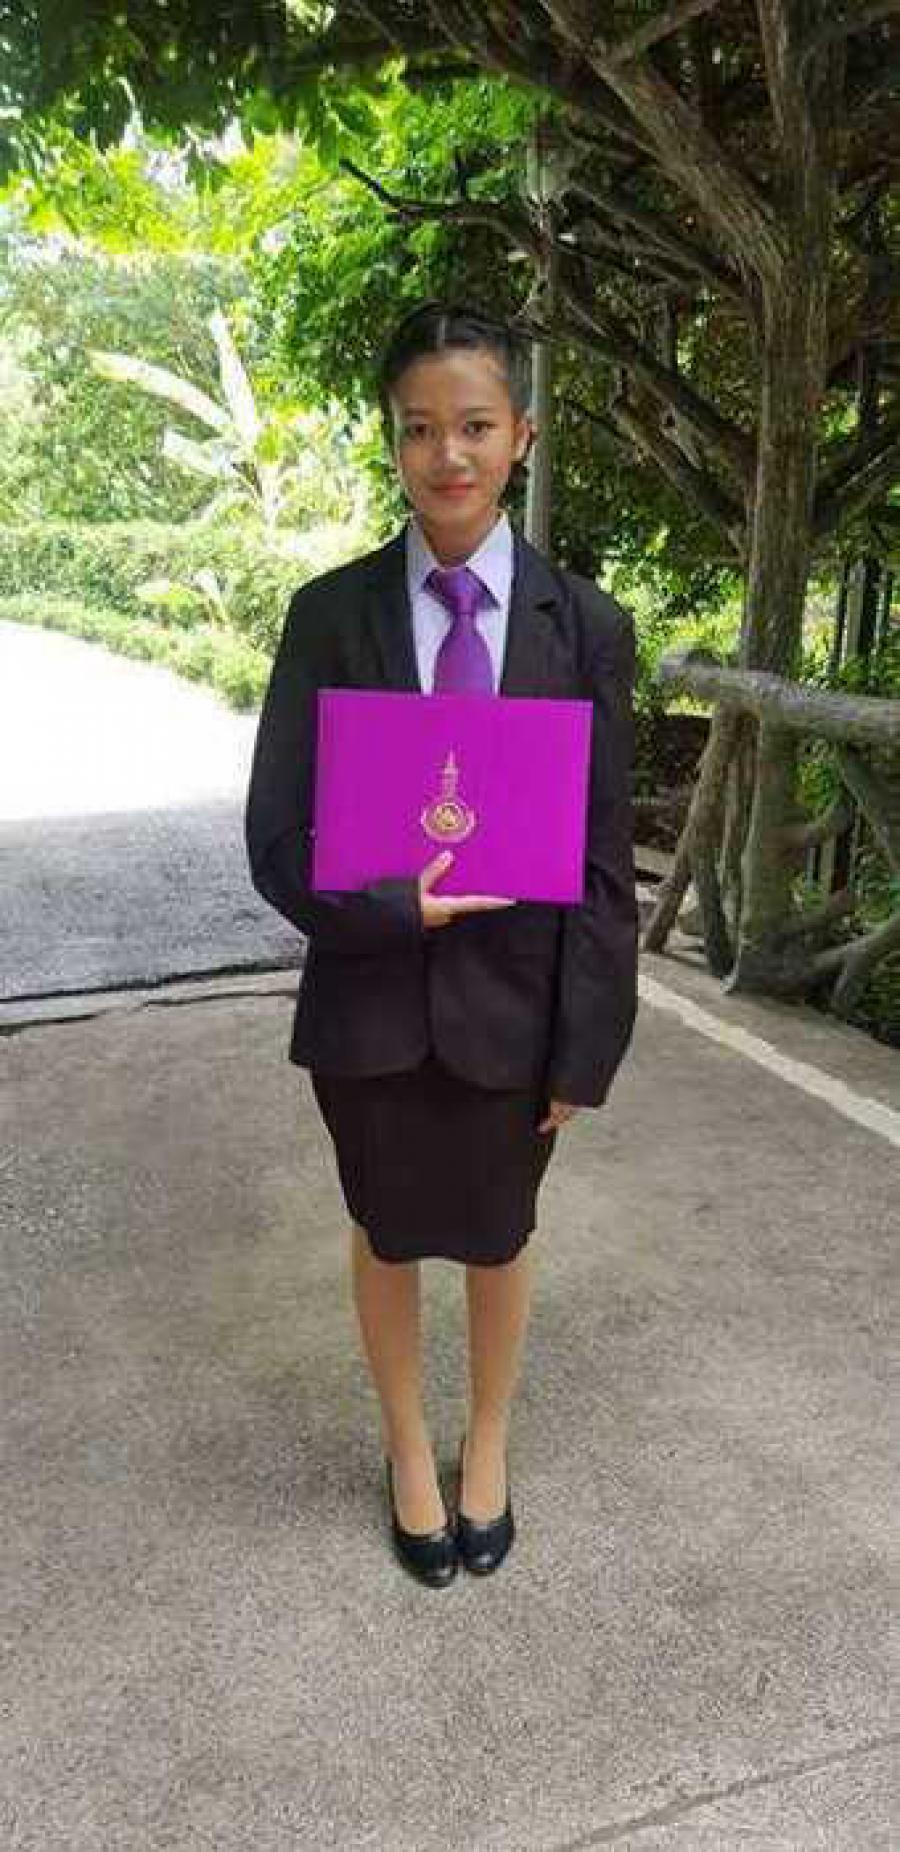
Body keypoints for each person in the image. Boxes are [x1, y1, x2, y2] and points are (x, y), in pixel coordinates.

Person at [244, 300, 638, 1588]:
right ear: (394, 441)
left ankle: (490, 1442)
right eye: (420, 430)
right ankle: (409, 1447)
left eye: (474, 426)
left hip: (519, 1012)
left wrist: (587, 1047)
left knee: (500, 1233)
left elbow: (602, 863)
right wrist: (386, 910)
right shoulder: (328, 615)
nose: (447, 455)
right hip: (369, 1003)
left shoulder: (588, 627)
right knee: (386, 1227)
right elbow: (275, 835)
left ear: (521, 434)